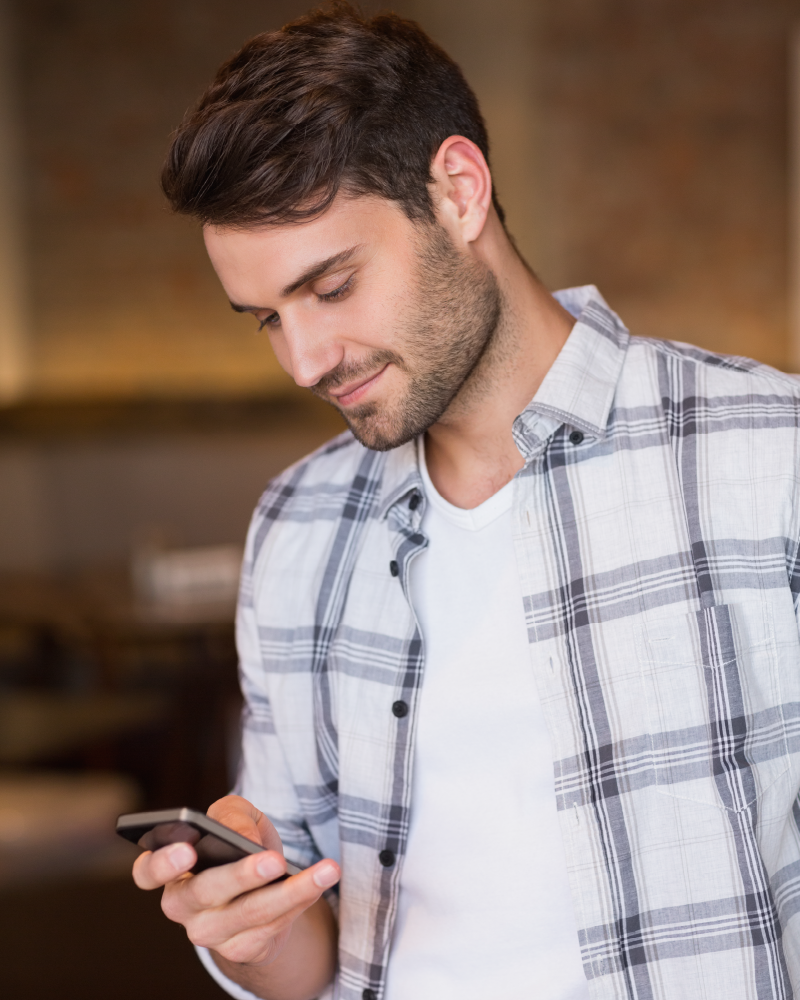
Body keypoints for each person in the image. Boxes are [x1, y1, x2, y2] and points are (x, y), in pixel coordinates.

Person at [132, 3, 800, 999]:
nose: (304, 359)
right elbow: (311, 952)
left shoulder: (765, 452)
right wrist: (248, 931)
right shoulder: (296, 524)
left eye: (331, 286)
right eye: (265, 318)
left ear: (456, 189)